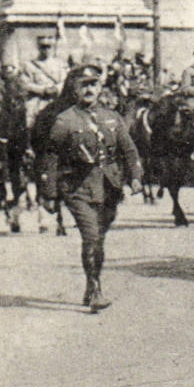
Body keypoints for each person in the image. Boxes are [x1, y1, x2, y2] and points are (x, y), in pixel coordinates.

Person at [37, 63, 142, 313]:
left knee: (99, 240)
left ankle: (90, 284)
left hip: (109, 187)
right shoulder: (65, 120)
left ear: (100, 87)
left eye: (93, 84)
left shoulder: (112, 117)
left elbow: (128, 149)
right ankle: (96, 291)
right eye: (84, 85)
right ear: (74, 88)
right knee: (91, 236)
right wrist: (50, 194)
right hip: (78, 188)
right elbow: (50, 157)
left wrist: (135, 176)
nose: (89, 89)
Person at [19, 33, 68, 127]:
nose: (46, 50)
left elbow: (65, 81)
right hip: (38, 102)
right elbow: (25, 84)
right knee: (32, 125)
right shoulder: (29, 65)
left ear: (52, 47)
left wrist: (56, 88)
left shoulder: (60, 64)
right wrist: (43, 90)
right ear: (38, 47)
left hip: (56, 100)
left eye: (48, 47)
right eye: (43, 47)